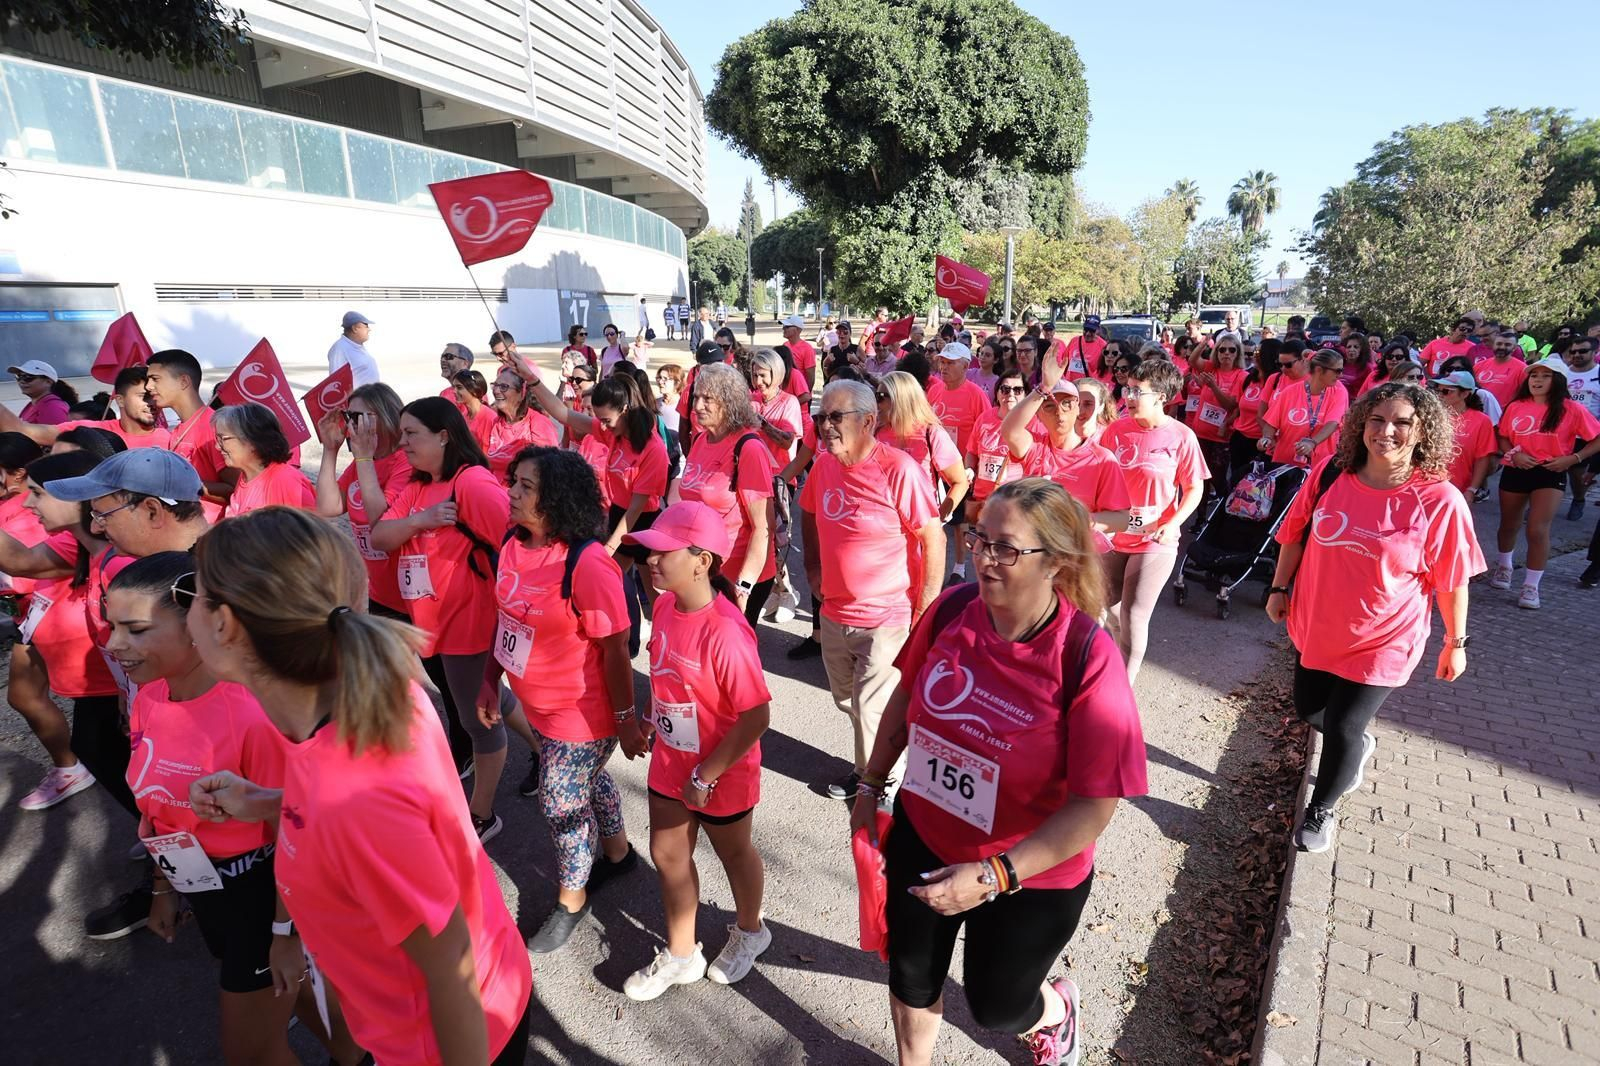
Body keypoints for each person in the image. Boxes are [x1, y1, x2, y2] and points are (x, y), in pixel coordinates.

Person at [185, 507, 534, 1066]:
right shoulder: (361, 695)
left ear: (225, 624)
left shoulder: (352, 794)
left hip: (441, 1041)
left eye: (192, 596)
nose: (187, 615)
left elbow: (450, 968)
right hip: (467, 997)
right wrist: (262, 800)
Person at [850, 478, 1147, 1066]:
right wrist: (869, 784)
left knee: (996, 1008)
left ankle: (1057, 1011)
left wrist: (992, 876)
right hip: (926, 831)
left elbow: (1095, 806)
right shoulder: (954, 610)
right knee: (912, 976)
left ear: (1056, 562)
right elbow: (905, 699)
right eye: (978, 539)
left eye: (1005, 548)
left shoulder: (1085, 655)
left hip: (1029, 873)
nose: (982, 558)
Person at [103, 551, 315, 1065]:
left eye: (135, 629)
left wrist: (286, 935)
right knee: (298, 1000)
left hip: (262, 898)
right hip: (204, 889)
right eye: (111, 626)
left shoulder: (253, 713)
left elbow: (298, 829)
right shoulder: (148, 696)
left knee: (252, 1053)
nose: (113, 644)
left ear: (197, 622)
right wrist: (162, 889)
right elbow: (155, 811)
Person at [1267, 383, 1484, 851]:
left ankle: (1321, 809)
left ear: (1423, 431)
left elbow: (1452, 579)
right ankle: (1356, 749)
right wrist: (1280, 587)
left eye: (1402, 422)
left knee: (1344, 725)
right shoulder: (1331, 473)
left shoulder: (1440, 499)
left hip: (1386, 634)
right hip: (1318, 620)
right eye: (1377, 420)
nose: (1387, 431)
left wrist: (1456, 642)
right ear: (1361, 424)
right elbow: (1294, 533)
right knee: (1310, 709)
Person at [485, 446, 641, 952]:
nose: (511, 493)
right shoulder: (512, 541)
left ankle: (572, 900)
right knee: (586, 784)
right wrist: (492, 680)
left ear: (556, 498)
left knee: (559, 801)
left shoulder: (588, 564)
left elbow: (615, 651)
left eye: (525, 487)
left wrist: (625, 721)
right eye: (514, 482)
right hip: (539, 707)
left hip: (583, 713)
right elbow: (504, 618)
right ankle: (618, 854)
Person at [618, 501, 773, 998]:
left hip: (721, 770)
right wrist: (647, 719)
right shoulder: (663, 606)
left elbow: (756, 716)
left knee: (733, 852)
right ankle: (682, 955)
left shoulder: (726, 631)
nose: (652, 561)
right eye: (649, 552)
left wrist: (708, 774)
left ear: (702, 561)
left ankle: (752, 930)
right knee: (667, 854)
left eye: (664, 553)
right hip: (671, 759)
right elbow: (665, 677)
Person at [370, 397, 512, 838]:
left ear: (444, 436)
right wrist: (424, 519)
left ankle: (483, 815)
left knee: (475, 721)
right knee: (481, 702)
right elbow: (380, 535)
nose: (403, 442)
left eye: (412, 433)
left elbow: (513, 546)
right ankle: (539, 747)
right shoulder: (419, 486)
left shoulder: (472, 484)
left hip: (469, 624)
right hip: (435, 625)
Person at [802, 378, 947, 800]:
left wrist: (925, 611)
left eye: (835, 417)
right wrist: (812, 567)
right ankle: (882, 760)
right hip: (834, 612)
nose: (825, 426)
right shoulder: (824, 465)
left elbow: (933, 538)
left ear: (868, 421)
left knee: (870, 706)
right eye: (820, 417)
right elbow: (809, 513)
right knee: (848, 700)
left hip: (888, 616)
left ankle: (877, 783)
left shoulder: (899, 469)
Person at [1101, 359, 1208, 683]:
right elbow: (1098, 475)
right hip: (1113, 534)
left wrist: (1175, 522)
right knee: (1106, 610)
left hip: (1154, 539)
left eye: (1138, 391)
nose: (1129, 396)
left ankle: (1121, 691)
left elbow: (1194, 487)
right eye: (1127, 389)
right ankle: (1111, 663)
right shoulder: (1116, 431)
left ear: (1162, 395)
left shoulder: (1181, 436)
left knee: (1134, 615)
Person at [1491, 357, 1600, 608]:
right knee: (1509, 525)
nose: (1537, 380)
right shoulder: (1516, 405)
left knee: (1537, 530)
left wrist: (1573, 458)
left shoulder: (1571, 408)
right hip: (1516, 470)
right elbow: (1503, 436)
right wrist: (1514, 454)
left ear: (1558, 380)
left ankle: (1531, 586)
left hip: (1550, 473)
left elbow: (1596, 438)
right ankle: (1504, 568)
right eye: (1534, 375)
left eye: (1545, 375)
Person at [675, 363, 777, 624]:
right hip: (703, 569)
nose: (697, 406)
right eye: (696, 397)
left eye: (708, 399)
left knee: (729, 656)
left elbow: (763, 528)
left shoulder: (748, 448)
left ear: (730, 402)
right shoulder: (700, 440)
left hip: (736, 576)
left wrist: (743, 586)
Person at [999, 366, 1130, 550]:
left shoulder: (1101, 459)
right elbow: (1009, 431)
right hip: (1032, 553)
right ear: (1038, 414)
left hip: (1076, 557)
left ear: (1077, 409)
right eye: (1050, 406)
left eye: (1067, 403)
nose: (1059, 412)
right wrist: (1042, 389)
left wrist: (1074, 518)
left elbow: (1122, 519)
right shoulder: (1035, 447)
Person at [315, 383, 413, 620]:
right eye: (349, 417)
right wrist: (330, 450)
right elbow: (329, 507)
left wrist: (364, 457)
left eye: (358, 417)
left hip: (409, 595)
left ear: (386, 416)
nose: (351, 425)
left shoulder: (404, 462)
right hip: (380, 592)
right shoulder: (363, 462)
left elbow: (381, 522)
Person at [876, 372, 970, 532]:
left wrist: (938, 519)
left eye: (880, 397)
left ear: (901, 399)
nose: (876, 403)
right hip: (882, 524)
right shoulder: (875, 432)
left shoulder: (931, 433)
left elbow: (960, 482)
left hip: (919, 528)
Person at [1, 366, 167, 450]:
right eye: (143, 396)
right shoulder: (89, 432)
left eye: (155, 396)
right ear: (120, 400)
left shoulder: (175, 439)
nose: (152, 403)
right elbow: (21, 430)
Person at [145, 348, 230, 503]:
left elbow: (236, 490)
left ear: (183, 381)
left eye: (155, 379)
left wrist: (179, 483)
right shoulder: (178, 430)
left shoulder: (214, 426)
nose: (148, 386)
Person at [214, 403, 315, 519]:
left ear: (252, 441)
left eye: (223, 439)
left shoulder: (286, 481)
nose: (217, 446)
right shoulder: (247, 475)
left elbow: (308, 533)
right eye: (217, 438)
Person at [1261, 348, 1349, 468]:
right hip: (1285, 464)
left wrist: (1312, 442)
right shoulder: (1289, 392)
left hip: (1319, 466)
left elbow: (1333, 424)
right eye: (1337, 371)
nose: (1341, 375)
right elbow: (1271, 423)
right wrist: (1267, 438)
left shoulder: (1339, 392)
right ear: (1319, 370)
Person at [964, 369, 1029, 523]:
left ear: (1026, 395)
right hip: (982, 499)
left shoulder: (1033, 424)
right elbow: (972, 452)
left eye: (1018, 390)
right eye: (1005, 389)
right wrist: (969, 470)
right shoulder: (985, 417)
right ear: (998, 393)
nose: (1010, 394)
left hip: (1013, 502)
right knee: (979, 544)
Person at [1188, 334, 1248, 495]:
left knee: (1217, 478)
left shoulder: (1241, 376)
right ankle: (1200, 519)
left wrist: (1213, 386)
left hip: (1221, 437)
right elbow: (1193, 361)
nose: (1226, 353)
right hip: (1201, 433)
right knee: (1199, 478)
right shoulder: (1211, 368)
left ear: (1237, 354)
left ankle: (1222, 511)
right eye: (1222, 350)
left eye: (1231, 350)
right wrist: (1204, 343)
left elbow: (1230, 405)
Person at [1431, 371, 1497, 499]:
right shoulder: (1430, 415)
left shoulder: (1482, 421)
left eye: (1447, 391)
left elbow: (1482, 458)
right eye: (1438, 390)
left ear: (1465, 394)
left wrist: (1472, 489)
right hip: (1425, 484)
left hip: (1457, 489)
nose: (1440, 395)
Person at [925, 343, 993, 458]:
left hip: (963, 467)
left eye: (950, 363)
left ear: (965, 366)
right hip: (935, 464)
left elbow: (989, 433)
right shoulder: (934, 390)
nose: (944, 367)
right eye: (942, 362)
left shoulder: (977, 395)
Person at [1558, 335, 1599, 521]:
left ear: (1594, 352)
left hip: (1587, 433)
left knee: (1576, 473)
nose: (1576, 355)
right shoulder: (1562, 373)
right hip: (1558, 431)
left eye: (1582, 351)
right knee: (1549, 469)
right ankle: (1541, 504)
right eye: (1573, 351)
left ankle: (1579, 499)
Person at [1473, 331, 1529, 411]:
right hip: (1477, 412)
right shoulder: (1479, 365)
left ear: (1514, 348)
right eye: (1499, 344)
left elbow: (1526, 396)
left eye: (1507, 345)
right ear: (1493, 345)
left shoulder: (1522, 369)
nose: (1502, 347)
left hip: (1502, 416)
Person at [8, 360, 76, 425]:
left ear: (48, 382)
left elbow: (55, 436)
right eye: (19, 377)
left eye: (28, 377)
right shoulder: (33, 405)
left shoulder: (52, 407)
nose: (21, 381)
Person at [326, 311, 377, 386]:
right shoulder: (340, 349)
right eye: (366, 326)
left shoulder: (356, 345)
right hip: (359, 396)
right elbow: (336, 383)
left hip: (370, 395)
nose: (369, 329)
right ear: (355, 328)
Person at [450, 369, 498, 450]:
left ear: (475, 391)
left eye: (459, 387)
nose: (454, 391)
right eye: (454, 387)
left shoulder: (490, 418)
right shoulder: (464, 414)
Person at [1063, 315, 1106, 383]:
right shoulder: (1074, 340)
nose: (1088, 333)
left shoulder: (1103, 346)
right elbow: (1065, 361)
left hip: (1088, 386)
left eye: (1092, 331)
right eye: (1086, 329)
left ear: (1098, 330)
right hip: (1070, 385)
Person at [783, 314, 819, 391]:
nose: (783, 328)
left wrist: (807, 394)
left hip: (800, 393)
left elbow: (811, 376)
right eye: (783, 326)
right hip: (786, 392)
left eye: (787, 327)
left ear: (797, 329)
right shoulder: (785, 345)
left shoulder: (807, 349)